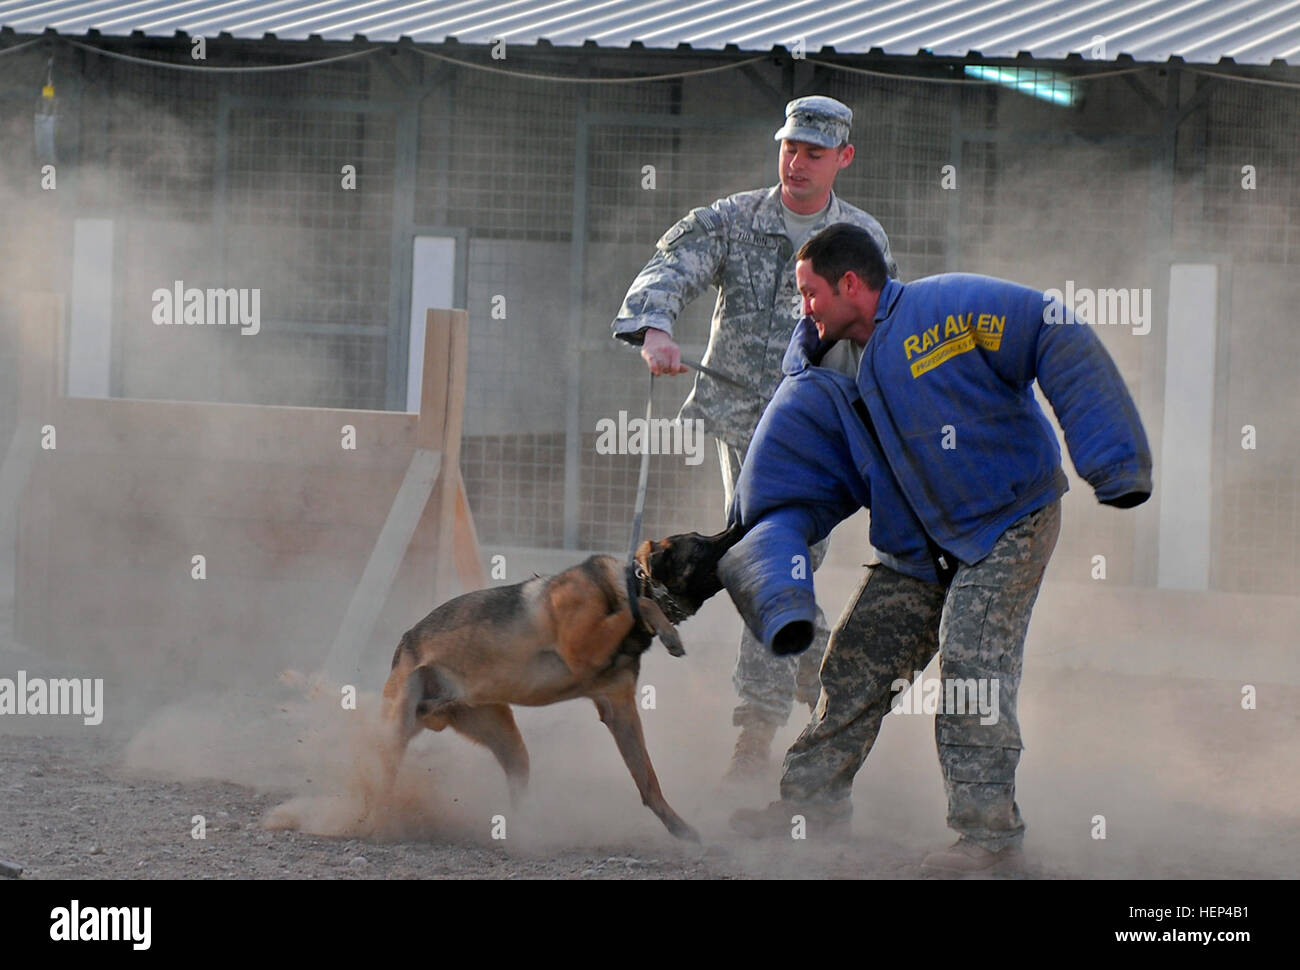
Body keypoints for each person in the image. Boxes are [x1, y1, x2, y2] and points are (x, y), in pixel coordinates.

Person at [721, 223, 1152, 871]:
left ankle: (989, 841)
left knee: (973, 668)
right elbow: (782, 490)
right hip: (918, 545)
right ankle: (808, 810)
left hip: (1009, 520)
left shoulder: (943, 311)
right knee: (855, 662)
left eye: (809, 292)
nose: (801, 307)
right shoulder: (817, 378)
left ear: (850, 284)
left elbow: (1051, 326)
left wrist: (1113, 461)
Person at [610, 96, 898, 780]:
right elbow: (669, 268)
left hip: (823, 434)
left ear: (843, 158)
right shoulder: (733, 220)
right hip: (745, 425)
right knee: (767, 557)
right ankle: (780, 720)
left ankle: (811, 701)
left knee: (774, 563)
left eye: (814, 153)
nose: (797, 163)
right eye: (790, 148)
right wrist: (654, 328)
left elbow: (879, 333)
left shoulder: (862, 239)